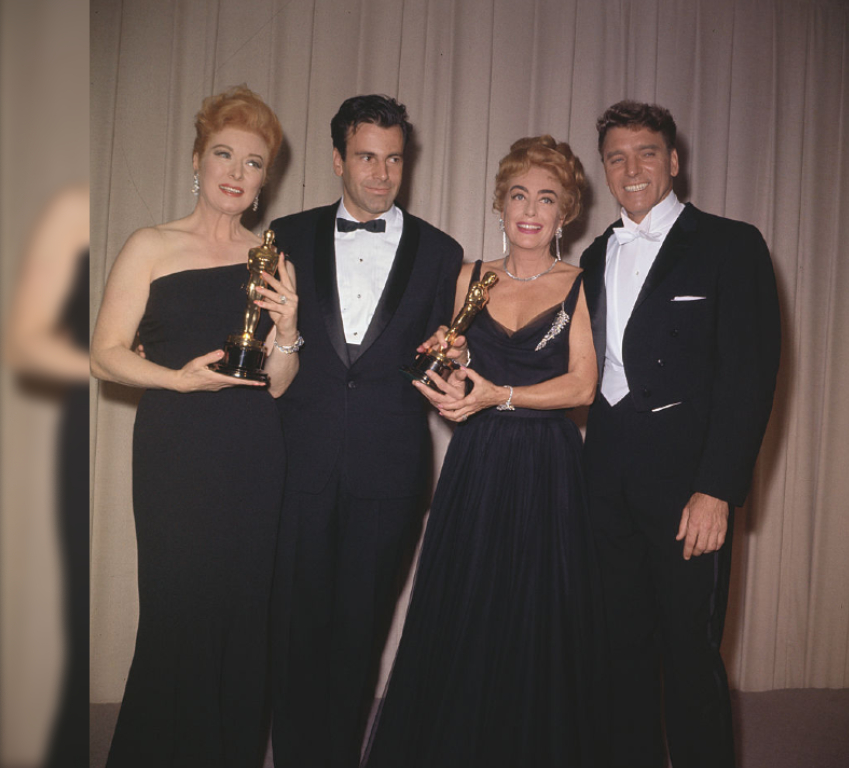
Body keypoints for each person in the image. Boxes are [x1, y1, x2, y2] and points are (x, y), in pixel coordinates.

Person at [362, 135, 609, 768]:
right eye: (519, 195)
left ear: (566, 214)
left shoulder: (579, 283)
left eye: (546, 199)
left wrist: (502, 394)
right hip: (477, 463)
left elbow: (583, 385)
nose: (531, 209)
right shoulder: (469, 277)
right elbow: (455, 370)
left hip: (546, 465)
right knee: (465, 607)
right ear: (500, 205)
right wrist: (452, 365)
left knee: (535, 614)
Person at [90, 86, 298, 767]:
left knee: (243, 618)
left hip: (252, 454)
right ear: (196, 161)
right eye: (224, 154)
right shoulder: (151, 245)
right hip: (177, 452)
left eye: (254, 162)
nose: (237, 172)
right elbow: (104, 354)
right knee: (178, 615)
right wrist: (178, 378)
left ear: (267, 179)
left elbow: (277, 384)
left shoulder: (272, 257)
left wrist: (290, 329)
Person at [580, 100, 781, 768]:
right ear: (604, 169)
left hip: (686, 492)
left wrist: (717, 490)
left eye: (645, 153)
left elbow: (748, 379)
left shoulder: (731, 244)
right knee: (618, 654)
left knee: (690, 657)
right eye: (616, 156)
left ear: (673, 160)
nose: (631, 168)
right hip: (604, 485)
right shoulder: (592, 255)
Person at [266, 94, 462, 768]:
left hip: (391, 475)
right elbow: (255, 347)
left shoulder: (442, 253)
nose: (381, 174)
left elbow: (442, 371)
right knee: (294, 635)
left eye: (394, 159)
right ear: (337, 160)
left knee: (359, 638)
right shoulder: (284, 236)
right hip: (298, 469)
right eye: (367, 157)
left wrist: (455, 370)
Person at [7, 183, 90, 768]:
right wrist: (121, 361)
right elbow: (25, 342)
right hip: (59, 415)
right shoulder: (71, 206)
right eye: (223, 152)